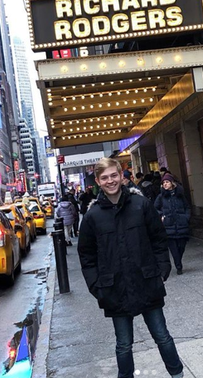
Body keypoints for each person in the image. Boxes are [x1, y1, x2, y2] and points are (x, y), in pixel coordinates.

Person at [78, 158, 184, 378]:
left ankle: (177, 374)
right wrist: (97, 286)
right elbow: (87, 255)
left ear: (121, 176)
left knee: (162, 335)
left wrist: (162, 269)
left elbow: (158, 238)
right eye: (104, 177)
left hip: (147, 282)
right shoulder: (92, 216)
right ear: (98, 181)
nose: (110, 181)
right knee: (124, 344)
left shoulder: (141, 205)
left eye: (113, 175)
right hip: (115, 289)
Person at [154, 173, 191, 275]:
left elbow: (187, 207)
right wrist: (162, 216)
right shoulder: (161, 197)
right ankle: (178, 265)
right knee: (173, 248)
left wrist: (186, 217)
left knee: (181, 246)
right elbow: (154, 209)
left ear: (172, 183)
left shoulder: (180, 195)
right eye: (163, 183)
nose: (165, 184)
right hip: (168, 226)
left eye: (167, 182)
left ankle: (178, 261)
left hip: (181, 224)